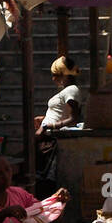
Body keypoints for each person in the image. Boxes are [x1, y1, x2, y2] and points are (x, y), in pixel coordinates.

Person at [35, 56, 83, 192]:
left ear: (64, 76)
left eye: (55, 75)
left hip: (52, 140)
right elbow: (62, 113)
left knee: (46, 183)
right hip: (47, 139)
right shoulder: (67, 91)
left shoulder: (71, 90)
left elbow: (73, 119)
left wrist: (47, 126)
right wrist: (44, 118)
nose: (53, 79)